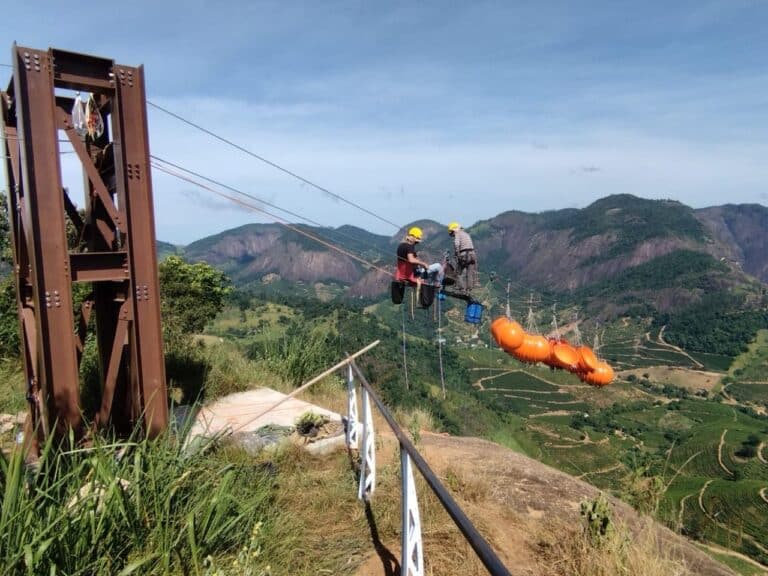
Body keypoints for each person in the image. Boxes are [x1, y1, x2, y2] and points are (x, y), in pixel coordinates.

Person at [448, 222, 477, 294]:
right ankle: (469, 290)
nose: (453, 235)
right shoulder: (466, 234)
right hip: (472, 255)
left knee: (458, 273)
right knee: (469, 274)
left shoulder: (458, 234)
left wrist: (457, 254)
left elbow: (456, 244)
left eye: (452, 233)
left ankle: (462, 289)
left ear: (454, 230)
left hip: (464, 255)